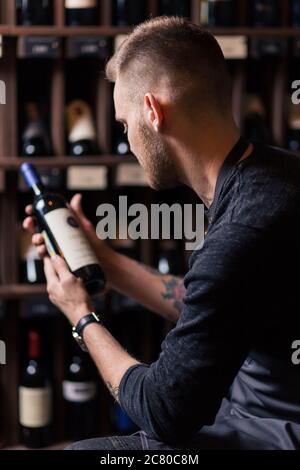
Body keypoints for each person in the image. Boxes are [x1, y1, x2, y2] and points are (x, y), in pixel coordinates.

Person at [23, 16, 300, 450]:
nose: (128, 139)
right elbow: (215, 304)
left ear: (152, 112)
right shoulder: (275, 174)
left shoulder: (240, 231)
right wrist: (105, 261)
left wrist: (80, 314)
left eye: (123, 123)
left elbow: (164, 411)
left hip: (268, 432)